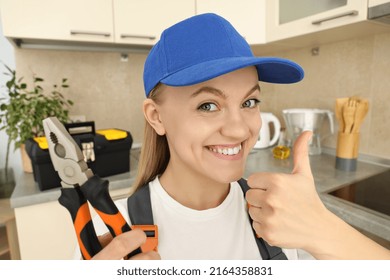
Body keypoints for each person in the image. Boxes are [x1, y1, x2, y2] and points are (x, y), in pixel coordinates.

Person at [87, 13, 390, 260]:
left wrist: (324, 231)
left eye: (249, 102)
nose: (239, 130)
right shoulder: (109, 232)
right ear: (156, 116)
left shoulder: (283, 216)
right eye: (208, 105)